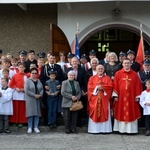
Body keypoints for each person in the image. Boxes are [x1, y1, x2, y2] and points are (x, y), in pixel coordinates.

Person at [113, 58, 142, 134]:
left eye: (128, 63)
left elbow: (138, 86)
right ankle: (120, 129)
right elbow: (115, 85)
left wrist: (137, 96)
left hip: (131, 97)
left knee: (131, 111)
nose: (126, 64)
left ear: (130, 64)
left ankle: (131, 130)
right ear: (122, 64)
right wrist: (115, 96)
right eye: (125, 63)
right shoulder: (118, 73)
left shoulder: (135, 74)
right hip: (121, 97)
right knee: (120, 111)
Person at [87, 65, 113, 133]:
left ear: (103, 70)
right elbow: (89, 87)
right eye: (99, 69)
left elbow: (110, 86)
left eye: (101, 69)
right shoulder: (92, 78)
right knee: (95, 112)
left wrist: (103, 87)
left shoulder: (107, 78)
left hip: (104, 99)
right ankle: (94, 130)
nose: (100, 70)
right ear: (96, 69)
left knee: (105, 112)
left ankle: (105, 130)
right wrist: (96, 88)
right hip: (95, 99)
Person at [24, 68, 43, 133]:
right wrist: (34, 95)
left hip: (38, 99)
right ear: (30, 73)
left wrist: (40, 94)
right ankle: (30, 127)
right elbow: (26, 90)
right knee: (30, 113)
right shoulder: (27, 81)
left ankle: (36, 126)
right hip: (30, 99)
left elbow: (41, 89)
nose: (34, 74)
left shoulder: (39, 80)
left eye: (35, 73)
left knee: (37, 113)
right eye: (33, 73)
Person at [9, 63, 28, 127]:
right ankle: (15, 121)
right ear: (18, 68)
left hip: (23, 94)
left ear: (24, 68)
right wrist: (16, 88)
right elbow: (11, 84)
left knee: (22, 108)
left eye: (22, 67)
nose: (21, 68)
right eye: (20, 67)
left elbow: (28, 85)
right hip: (16, 94)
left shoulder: (27, 75)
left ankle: (21, 121)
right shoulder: (15, 76)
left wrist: (24, 89)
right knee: (16, 108)